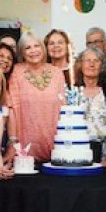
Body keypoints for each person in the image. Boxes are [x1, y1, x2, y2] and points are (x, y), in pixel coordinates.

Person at [7, 32, 66, 162]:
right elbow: (12, 109)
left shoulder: (57, 73)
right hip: (25, 150)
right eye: (27, 48)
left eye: (36, 46)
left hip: (56, 146)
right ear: (21, 52)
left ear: (43, 49)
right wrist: (13, 141)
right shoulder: (16, 72)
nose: (33, 51)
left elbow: (64, 108)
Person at [74, 47, 106, 166]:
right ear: (80, 64)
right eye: (87, 60)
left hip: (102, 154)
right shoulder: (72, 91)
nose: (92, 64)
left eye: (96, 61)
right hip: (75, 150)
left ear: (102, 66)